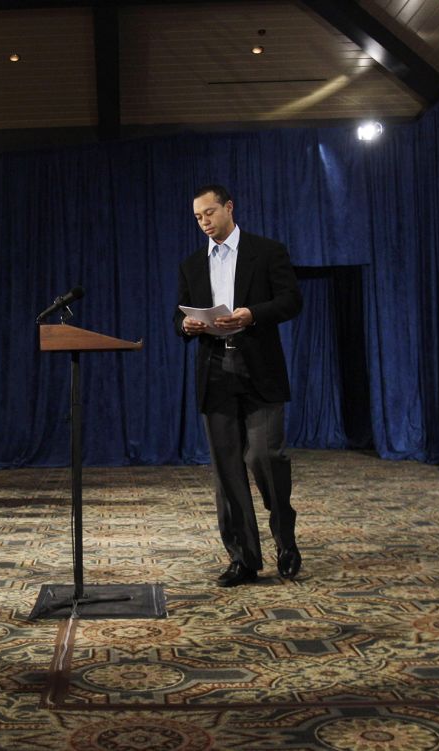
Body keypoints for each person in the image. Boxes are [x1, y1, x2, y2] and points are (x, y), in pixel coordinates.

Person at [174, 184, 303, 587]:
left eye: (210, 213)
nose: (205, 222)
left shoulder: (267, 251)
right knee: (226, 470)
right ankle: (244, 558)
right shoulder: (192, 264)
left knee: (264, 457)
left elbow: (291, 301)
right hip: (215, 369)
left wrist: (252, 315)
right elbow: (176, 318)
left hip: (259, 367)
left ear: (229, 208)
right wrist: (187, 325)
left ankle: (285, 537)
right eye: (198, 217)